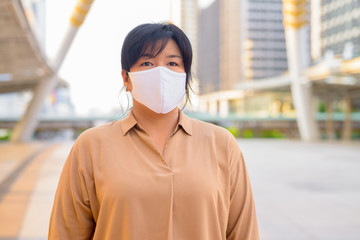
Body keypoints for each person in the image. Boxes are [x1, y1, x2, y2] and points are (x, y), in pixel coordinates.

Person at [48, 22, 259, 240]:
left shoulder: (221, 144)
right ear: (126, 78)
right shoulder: (91, 146)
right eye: (147, 63)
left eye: (172, 63)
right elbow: (66, 233)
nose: (161, 72)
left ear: (185, 74)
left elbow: (244, 231)